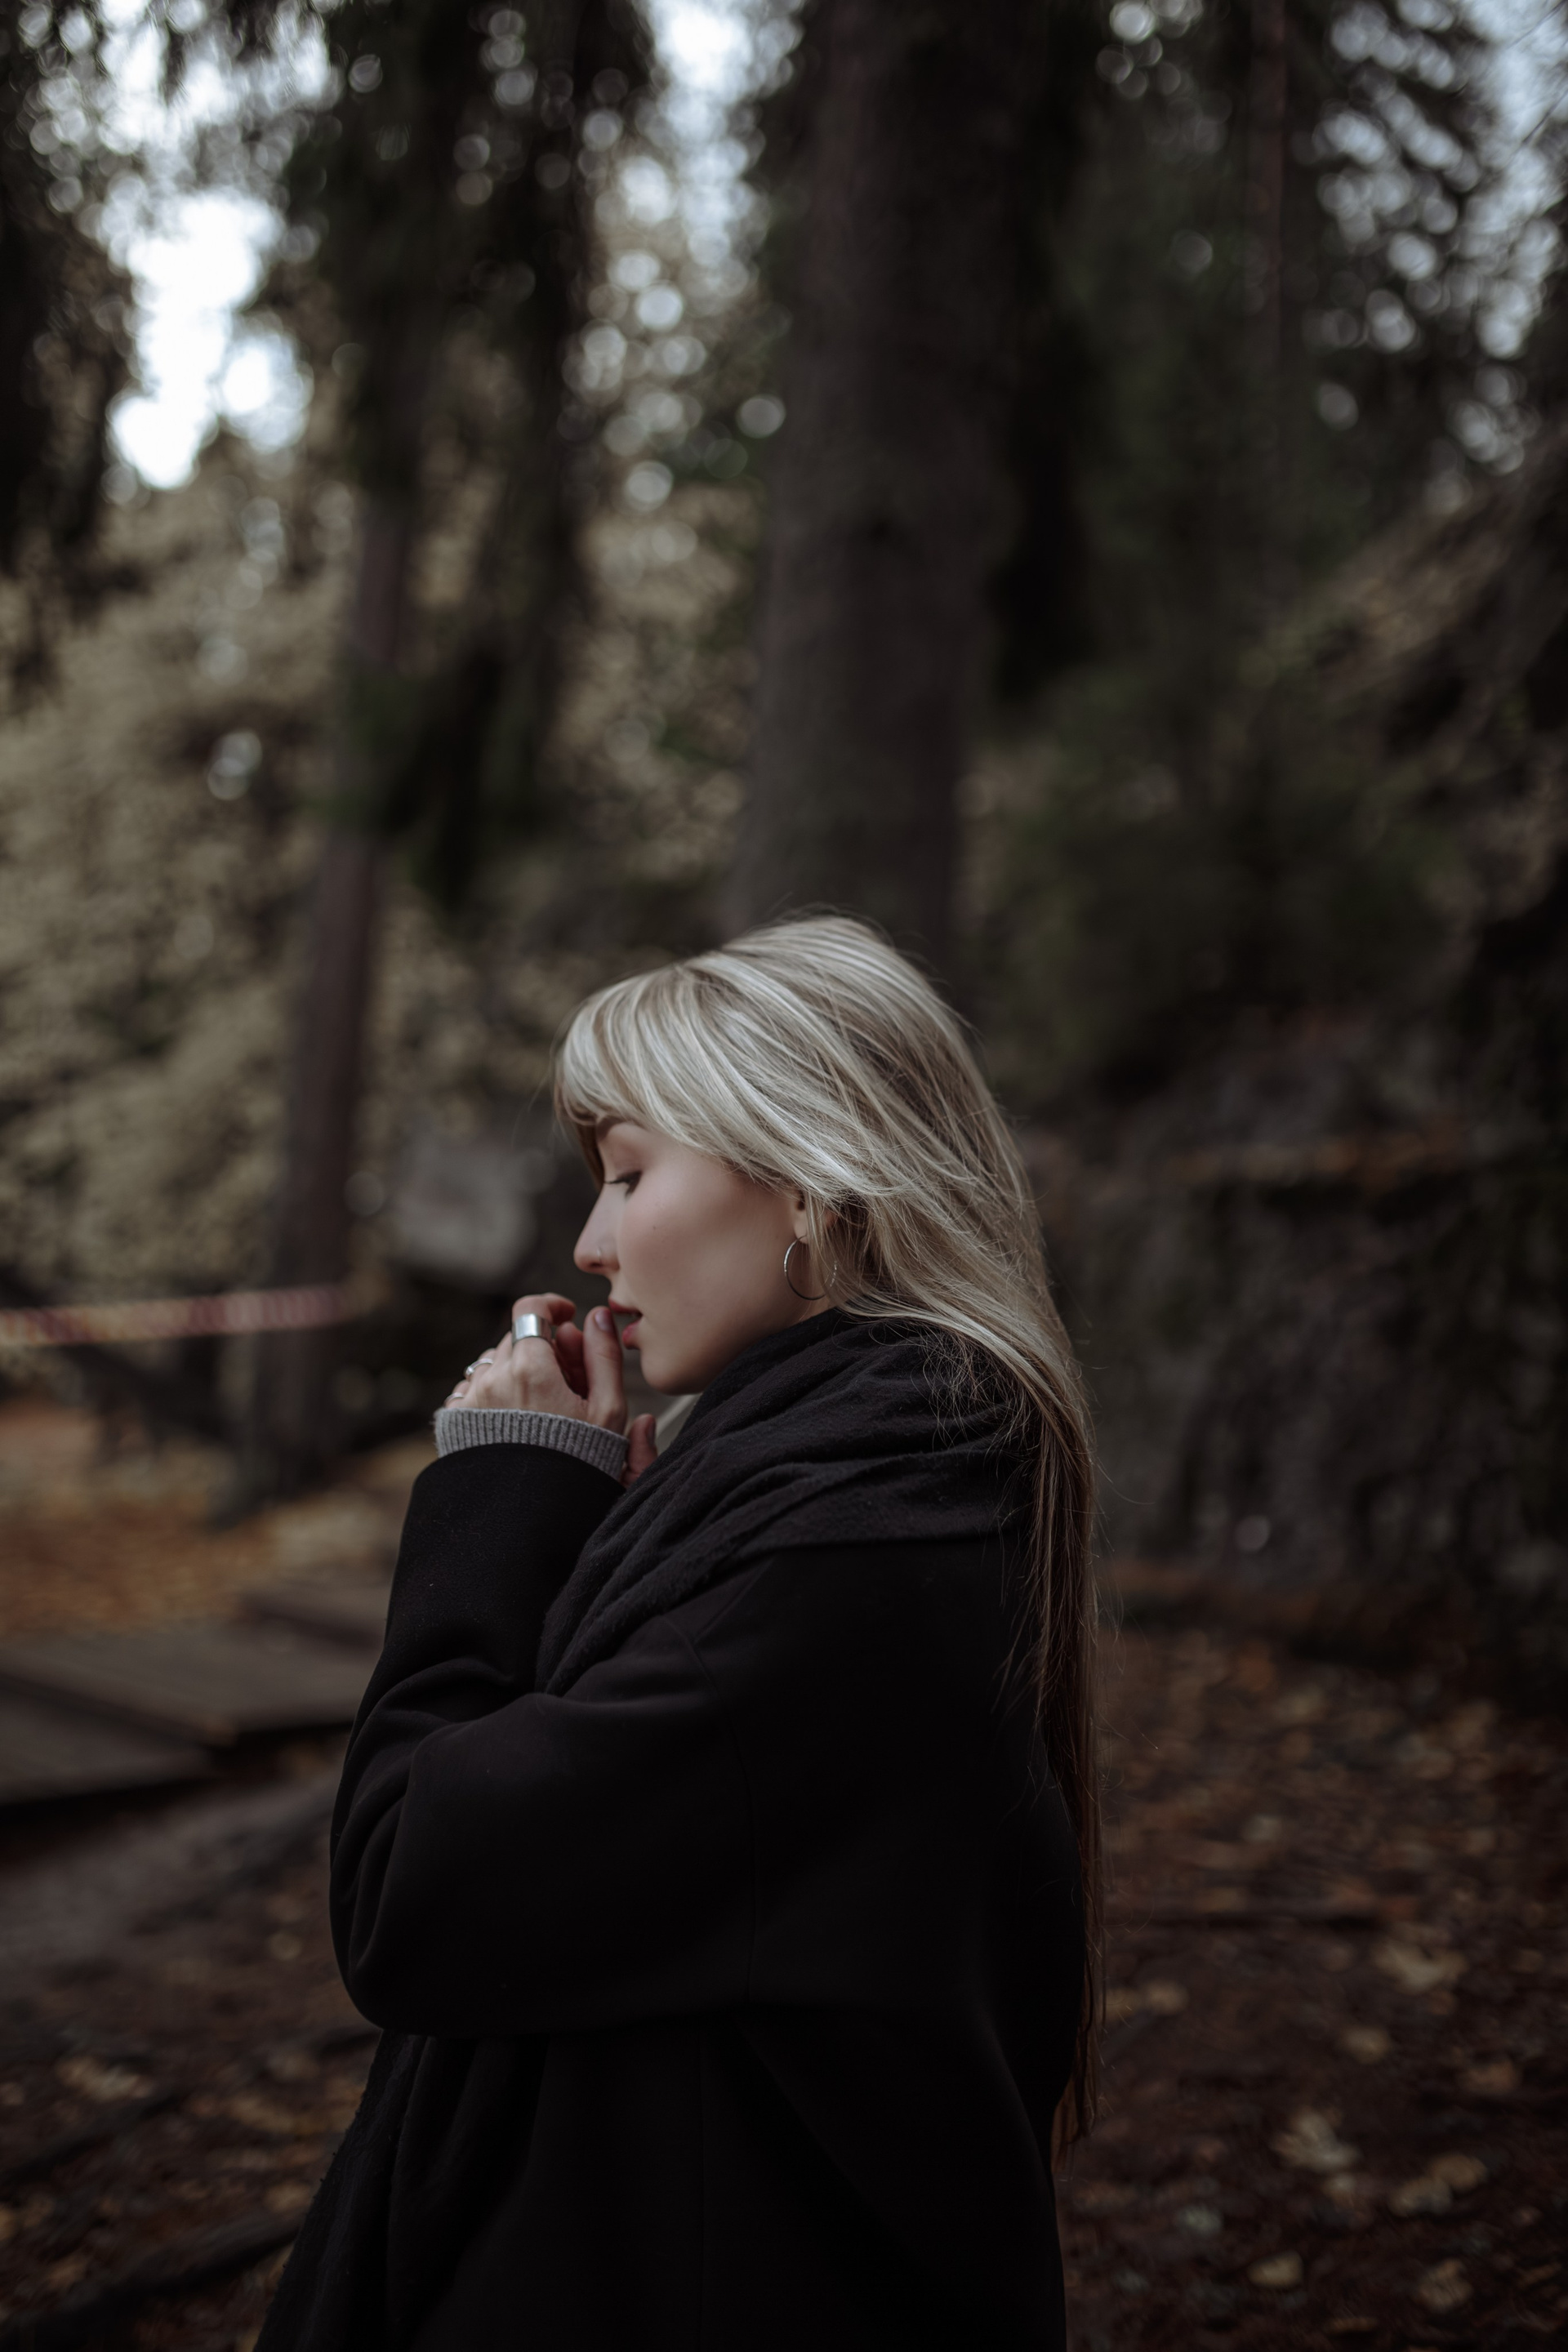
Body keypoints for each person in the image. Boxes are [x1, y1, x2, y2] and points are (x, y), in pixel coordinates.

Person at [256, 915, 1099, 2352]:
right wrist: (593, 1532)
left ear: (811, 1188)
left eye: (633, 1174)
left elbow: (408, 1894)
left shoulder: (840, 1555)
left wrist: (500, 1493)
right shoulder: (872, 1486)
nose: (591, 1244)